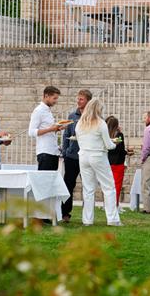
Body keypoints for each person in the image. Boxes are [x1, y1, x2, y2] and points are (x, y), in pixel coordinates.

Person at [75, 99, 122, 227]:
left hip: (83, 156)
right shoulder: (101, 123)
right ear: (98, 110)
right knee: (108, 187)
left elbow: (79, 140)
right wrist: (114, 144)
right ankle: (112, 219)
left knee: (88, 189)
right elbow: (108, 145)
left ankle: (87, 220)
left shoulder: (80, 123)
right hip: (98, 156)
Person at [61, 89, 91, 222]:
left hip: (88, 156)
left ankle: (88, 214)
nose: (78, 101)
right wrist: (65, 152)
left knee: (88, 186)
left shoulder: (94, 117)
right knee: (68, 185)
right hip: (72, 156)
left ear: (88, 101)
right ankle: (65, 213)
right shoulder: (72, 116)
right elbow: (66, 135)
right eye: (78, 99)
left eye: (81, 99)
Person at [28, 86, 64, 171]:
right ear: (46, 96)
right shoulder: (38, 111)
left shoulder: (48, 111)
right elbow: (31, 132)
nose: (55, 101)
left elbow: (49, 129)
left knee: (50, 182)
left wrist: (57, 128)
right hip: (45, 153)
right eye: (54, 98)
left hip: (53, 152)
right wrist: (51, 129)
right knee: (43, 182)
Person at [106, 116, 132, 205]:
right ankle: (114, 204)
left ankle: (107, 204)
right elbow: (120, 149)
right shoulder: (119, 135)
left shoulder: (105, 135)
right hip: (118, 163)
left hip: (107, 162)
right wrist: (127, 153)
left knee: (108, 185)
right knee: (117, 185)